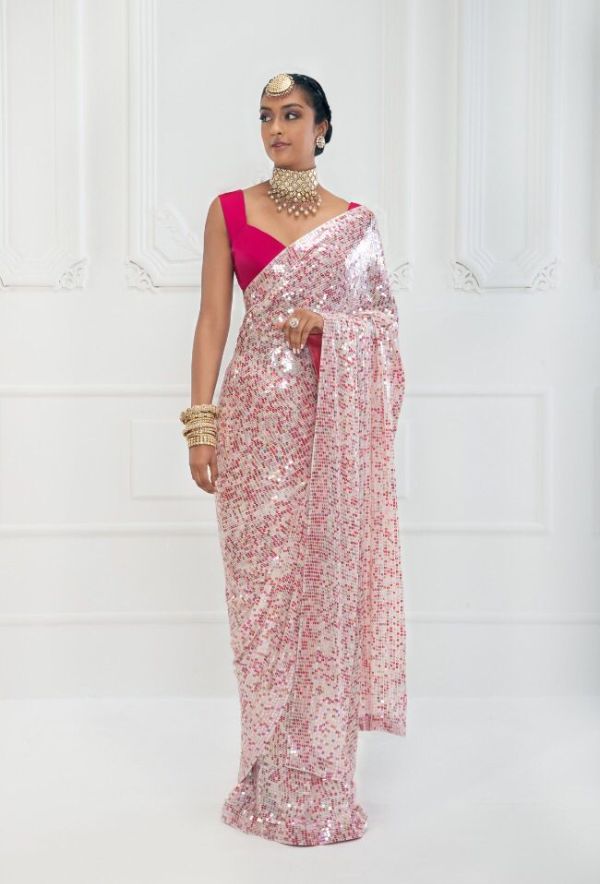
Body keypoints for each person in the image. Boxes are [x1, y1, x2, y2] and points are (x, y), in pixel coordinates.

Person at [182, 72, 407, 847]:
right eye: (265, 116)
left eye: (291, 114)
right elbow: (212, 321)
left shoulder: (356, 226)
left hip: (328, 435)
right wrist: (201, 424)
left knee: (326, 594)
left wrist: (329, 326)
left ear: (323, 128)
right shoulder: (228, 211)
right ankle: (268, 777)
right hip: (253, 426)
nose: (276, 128)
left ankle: (322, 784)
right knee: (262, 601)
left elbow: (384, 330)